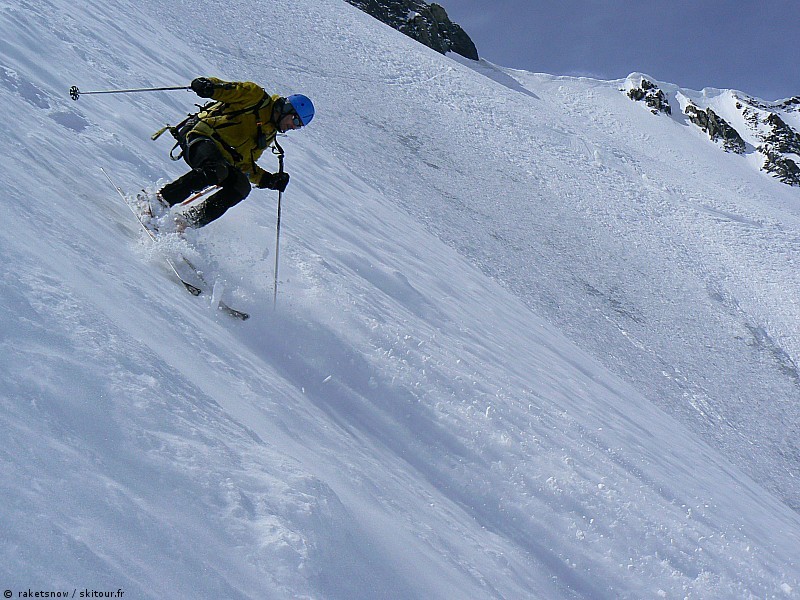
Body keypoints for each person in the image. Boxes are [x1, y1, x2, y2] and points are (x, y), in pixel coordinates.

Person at [158, 76, 314, 228]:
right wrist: (208, 86)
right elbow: (226, 89)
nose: (293, 127)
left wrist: (267, 179)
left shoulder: (269, 133)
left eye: (298, 126)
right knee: (215, 170)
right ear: (287, 109)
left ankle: (185, 223)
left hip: (221, 159)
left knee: (240, 186)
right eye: (295, 120)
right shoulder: (256, 97)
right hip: (200, 136)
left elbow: (244, 163)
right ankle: (158, 201)